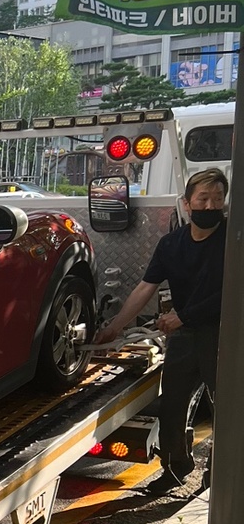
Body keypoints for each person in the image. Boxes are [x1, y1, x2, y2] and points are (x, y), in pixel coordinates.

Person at [95, 167, 227, 497]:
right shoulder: (171, 244)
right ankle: (176, 468)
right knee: (171, 407)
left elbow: (230, 291)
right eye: (203, 199)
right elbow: (145, 288)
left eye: (217, 199)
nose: (210, 207)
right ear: (186, 204)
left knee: (226, 409)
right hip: (183, 339)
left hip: (223, 337)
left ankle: (219, 476)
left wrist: (182, 316)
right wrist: (115, 326)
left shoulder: (233, 241)